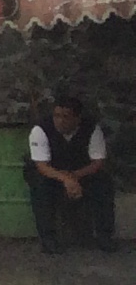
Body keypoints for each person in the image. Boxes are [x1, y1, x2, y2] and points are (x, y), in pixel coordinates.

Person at [30, 94, 116, 254]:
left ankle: (105, 235)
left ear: (77, 118)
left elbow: (98, 161)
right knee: (39, 188)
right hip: (52, 174)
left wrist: (74, 176)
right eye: (57, 116)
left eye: (66, 117)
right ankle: (48, 238)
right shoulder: (41, 129)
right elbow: (41, 165)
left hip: (81, 172)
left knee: (103, 184)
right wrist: (65, 179)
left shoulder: (91, 129)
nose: (60, 121)